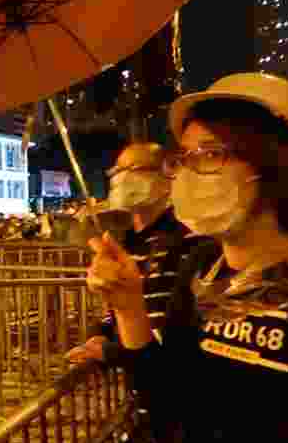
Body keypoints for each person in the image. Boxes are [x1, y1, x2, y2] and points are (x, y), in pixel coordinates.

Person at [86, 72, 288, 443]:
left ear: (273, 163)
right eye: (183, 158)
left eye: (210, 154)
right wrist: (128, 306)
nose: (188, 174)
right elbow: (172, 397)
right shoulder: (199, 270)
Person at [68, 143, 196, 368]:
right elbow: (118, 309)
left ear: (168, 175)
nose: (122, 178)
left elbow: (177, 339)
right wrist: (102, 334)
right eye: (116, 171)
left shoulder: (187, 241)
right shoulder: (124, 242)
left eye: (135, 169)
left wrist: (112, 353)